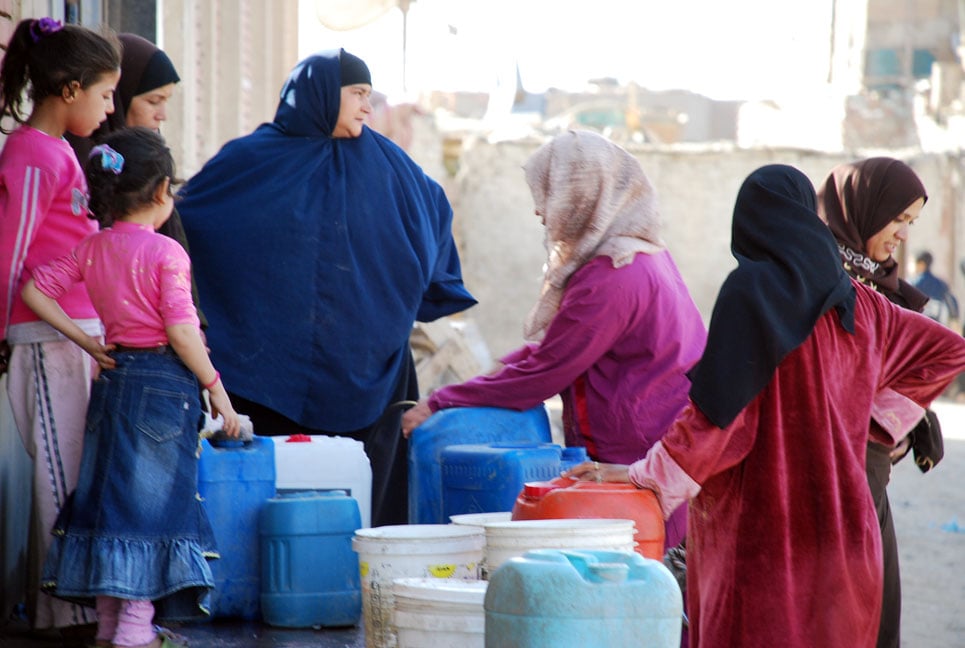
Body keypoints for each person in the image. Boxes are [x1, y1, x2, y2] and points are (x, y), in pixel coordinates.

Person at [563, 164, 965, 648]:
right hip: (846, 533)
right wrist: (875, 428)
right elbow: (948, 349)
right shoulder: (861, 303)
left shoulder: (753, 294)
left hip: (765, 545)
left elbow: (720, 420)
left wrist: (640, 476)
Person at [175, 49, 476, 527]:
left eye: (368, 95)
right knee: (270, 504)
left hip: (365, 369)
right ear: (320, 94)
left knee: (361, 503)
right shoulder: (251, 161)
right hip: (265, 374)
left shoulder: (390, 168)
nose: (366, 107)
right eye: (356, 93)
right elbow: (192, 221)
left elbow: (431, 216)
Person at [401, 129, 706, 552]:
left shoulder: (612, 275)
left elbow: (545, 372)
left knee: (637, 575)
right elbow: (563, 347)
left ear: (582, 196)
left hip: (633, 455)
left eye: (549, 193)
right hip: (653, 444)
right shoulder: (642, 254)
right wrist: (500, 370)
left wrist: (441, 401)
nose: (539, 211)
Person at [22, 127, 240, 648]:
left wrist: (89, 343)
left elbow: (34, 290)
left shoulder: (93, 246)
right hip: (165, 386)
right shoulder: (167, 253)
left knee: (108, 503)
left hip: (115, 384)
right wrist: (217, 389)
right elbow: (184, 332)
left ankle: (107, 626)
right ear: (163, 190)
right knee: (150, 511)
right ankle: (137, 632)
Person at [0, 17, 120, 635]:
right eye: (105, 94)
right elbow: (11, 252)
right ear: (70, 90)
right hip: (44, 336)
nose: (111, 108)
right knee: (57, 474)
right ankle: (62, 613)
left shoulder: (58, 154)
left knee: (72, 470)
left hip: (71, 333)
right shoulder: (31, 154)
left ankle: (68, 605)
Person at [817, 157, 945, 648]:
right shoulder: (819, 279)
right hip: (829, 483)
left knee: (876, 615)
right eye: (897, 220)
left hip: (870, 480)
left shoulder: (878, 282)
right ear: (863, 211)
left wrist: (900, 420)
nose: (902, 236)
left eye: (910, 224)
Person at [65, 32, 207, 329]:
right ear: (120, 95)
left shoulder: (148, 165)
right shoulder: (79, 160)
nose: (162, 115)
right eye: (154, 101)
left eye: (166, 101)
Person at [911, 250, 959, 327]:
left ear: (921, 264)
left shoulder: (913, 284)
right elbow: (952, 304)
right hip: (938, 327)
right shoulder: (941, 284)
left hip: (918, 327)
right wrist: (954, 319)